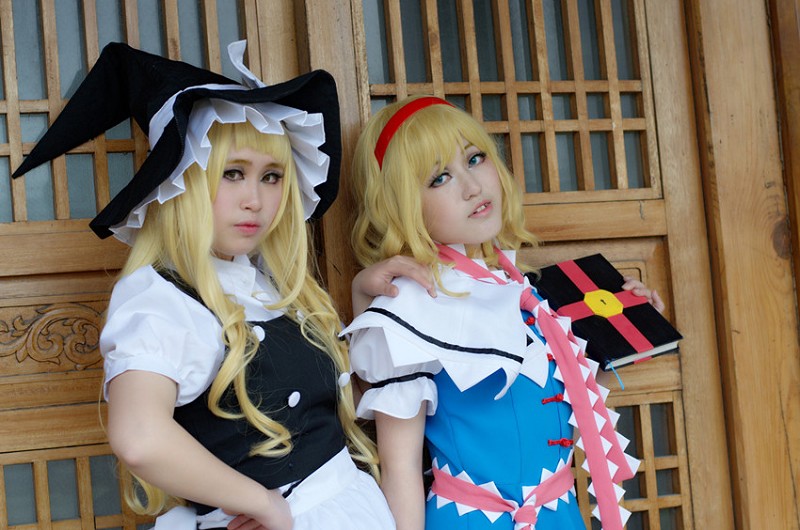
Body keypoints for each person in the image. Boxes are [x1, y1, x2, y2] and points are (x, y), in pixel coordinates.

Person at [12, 41, 412, 530]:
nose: (255, 200)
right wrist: (262, 502)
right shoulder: (159, 298)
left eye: (271, 177)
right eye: (233, 173)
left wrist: (363, 300)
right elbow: (140, 437)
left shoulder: (263, 283)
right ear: (181, 182)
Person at [343, 96, 663, 530]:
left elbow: (560, 416)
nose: (472, 187)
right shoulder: (414, 306)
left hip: (561, 515)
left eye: (475, 159)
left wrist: (628, 327)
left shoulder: (530, 292)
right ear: (401, 205)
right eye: (439, 178)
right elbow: (400, 471)